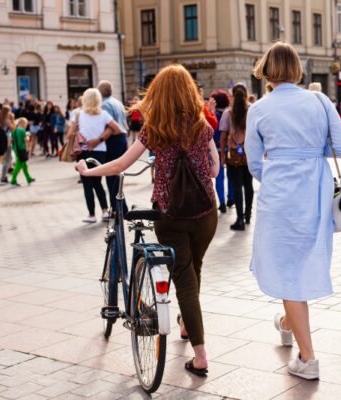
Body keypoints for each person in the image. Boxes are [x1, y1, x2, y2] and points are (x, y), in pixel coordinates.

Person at [76, 64, 219, 377]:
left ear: (160, 94)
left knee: (184, 278)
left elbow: (122, 163)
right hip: (207, 213)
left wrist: (90, 171)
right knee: (193, 271)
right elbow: (214, 171)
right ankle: (185, 324)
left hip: (170, 215)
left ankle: (201, 354)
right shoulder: (202, 125)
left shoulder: (154, 130)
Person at [245, 42, 341, 380]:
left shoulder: (259, 108)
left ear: (266, 69)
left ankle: (309, 358)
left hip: (278, 194)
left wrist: (277, 171)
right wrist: (311, 152)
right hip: (315, 191)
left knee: (286, 268)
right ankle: (288, 323)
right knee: (301, 262)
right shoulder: (319, 101)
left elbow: (253, 162)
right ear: (297, 69)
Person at [77, 88, 122, 223]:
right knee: (98, 183)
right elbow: (118, 129)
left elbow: (70, 133)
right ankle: (105, 211)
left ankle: (91, 215)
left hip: (84, 151)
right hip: (100, 151)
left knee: (87, 184)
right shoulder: (103, 114)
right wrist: (101, 138)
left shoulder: (79, 114)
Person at [220, 84, 253, 230]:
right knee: (249, 185)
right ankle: (248, 216)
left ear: (233, 96)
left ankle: (239, 219)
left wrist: (222, 154)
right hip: (249, 153)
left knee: (237, 186)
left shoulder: (228, 113)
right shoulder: (251, 110)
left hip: (234, 155)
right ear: (246, 95)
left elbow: (223, 135)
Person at [97, 80, 130, 216]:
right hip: (122, 139)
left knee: (111, 175)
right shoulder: (117, 102)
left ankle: (118, 209)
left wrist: (99, 139)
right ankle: (121, 207)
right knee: (117, 176)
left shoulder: (104, 105)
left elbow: (111, 127)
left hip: (113, 140)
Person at [210, 90, 234, 213]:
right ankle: (231, 197)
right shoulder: (229, 113)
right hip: (229, 149)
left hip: (215, 149)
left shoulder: (212, 114)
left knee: (219, 177)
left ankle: (222, 203)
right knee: (231, 175)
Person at [10, 118, 34, 186]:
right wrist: (28, 135)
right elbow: (26, 140)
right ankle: (13, 180)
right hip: (22, 149)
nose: (26, 126)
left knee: (24, 165)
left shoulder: (14, 131)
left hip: (16, 149)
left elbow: (11, 141)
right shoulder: (22, 130)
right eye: (26, 124)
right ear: (23, 123)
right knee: (18, 165)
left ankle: (28, 178)